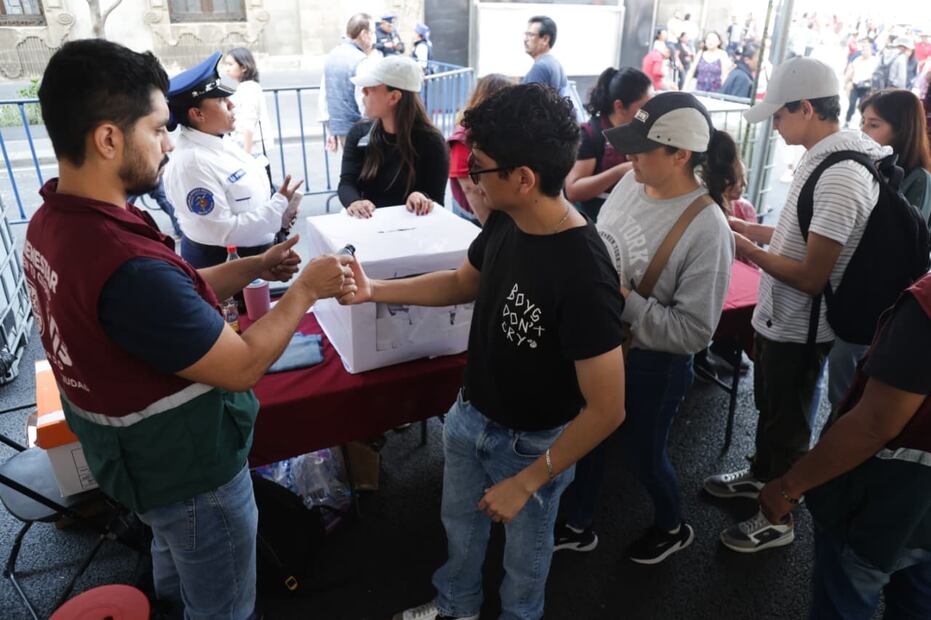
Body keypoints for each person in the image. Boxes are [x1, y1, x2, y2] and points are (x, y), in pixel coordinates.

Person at [25, 38, 356, 619]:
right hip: (189, 469)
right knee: (223, 604)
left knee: (175, 569)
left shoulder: (52, 222)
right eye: (157, 129)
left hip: (136, 467)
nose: (168, 141)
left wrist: (254, 265)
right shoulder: (123, 262)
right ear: (108, 139)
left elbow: (179, 289)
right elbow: (242, 364)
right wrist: (305, 290)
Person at [378, 83, 626, 620]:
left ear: (523, 178)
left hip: (534, 444)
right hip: (472, 414)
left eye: (480, 167)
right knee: (459, 531)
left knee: (525, 564)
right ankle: (455, 608)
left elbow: (609, 408)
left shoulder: (585, 272)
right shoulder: (506, 223)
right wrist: (373, 291)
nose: (470, 177)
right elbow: (459, 283)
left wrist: (529, 480)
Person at [704, 57, 890, 553]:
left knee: (788, 423)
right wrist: (749, 230)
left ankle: (777, 516)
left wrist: (745, 249)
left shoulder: (840, 176)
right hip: (780, 318)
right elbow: (798, 238)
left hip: (802, 326)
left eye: (779, 116)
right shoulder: (822, 157)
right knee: (771, 407)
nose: (775, 125)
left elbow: (812, 276)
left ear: (806, 108)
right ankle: (762, 475)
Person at [556, 92, 736, 564]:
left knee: (642, 454)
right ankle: (577, 523)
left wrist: (624, 301)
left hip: (654, 365)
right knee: (587, 433)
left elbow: (696, 333)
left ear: (681, 154)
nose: (629, 155)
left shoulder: (707, 227)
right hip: (602, 347)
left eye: (642, 148)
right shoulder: (631, 184)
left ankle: (673, 525)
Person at [758, 271, 931, 620]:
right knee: (917, 602)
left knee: (845, 601)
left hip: (886, 502)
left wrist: (790, 488)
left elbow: (875, 424)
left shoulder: (927, 304)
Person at [162, 52, 302, 268]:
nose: (231, 105)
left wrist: (280, 217)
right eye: (221, 100)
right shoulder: (192, 163)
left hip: (249, 257)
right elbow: (224, 231)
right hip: (222, 265)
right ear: (198, 114)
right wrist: (277, 206)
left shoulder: (219, 139)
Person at [339, 55, 448, 218]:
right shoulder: (359, 133)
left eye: (371, 87)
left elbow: (436, 199)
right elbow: (346, 182)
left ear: (394, 97)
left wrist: (421, 197)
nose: (363, 91)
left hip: (414, 233)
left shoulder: (432, 141)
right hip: (368, 228)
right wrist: (354, 202)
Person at [564, 66, 652, 221]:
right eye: (644, 107)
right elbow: (573, 190)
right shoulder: (591, 135)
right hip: (594, 220)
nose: (649, 113)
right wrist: (620, 172)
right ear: (619, 106)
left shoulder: (642, 132)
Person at [447, 74, 513, 225]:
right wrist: (492, 234)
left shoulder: (503, 132)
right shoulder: (462, 139)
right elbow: (471, 191)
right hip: (475, 217)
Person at [859, 89, 931, 225]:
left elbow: (910, 239)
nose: (862, 131)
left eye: (873, 125)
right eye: (863, 122)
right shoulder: (868, 163)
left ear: (901, 131)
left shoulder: (919, 179)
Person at [321, 13, 374, 151]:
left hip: (341, 130)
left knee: (352, 170)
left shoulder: (332, 55)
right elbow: (365, 101)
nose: (374, 39)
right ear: (364, 34)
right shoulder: (360, 60)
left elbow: (325, 96)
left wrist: (330, 130)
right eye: (372, 33)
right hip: (361, 131)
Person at [223, 47, 272, 158]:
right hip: (248, 147)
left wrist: (246, 155)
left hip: (251, 149)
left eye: (230, 65)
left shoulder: (249, 88)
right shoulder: (246, 87)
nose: (227, 69)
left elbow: (249, 122)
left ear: (244, 67)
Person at [522, 15, 568, 96]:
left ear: (545, 39)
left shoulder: (540, 67)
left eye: (531, 35)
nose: (525, 39)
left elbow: (530, 104)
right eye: (526, 34)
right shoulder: (554, 63)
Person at [844, 38, 878, 127]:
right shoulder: (858, 59)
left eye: (866, 50)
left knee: (863, 107)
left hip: (866, 87)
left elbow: (874, 75)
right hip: (855, 86)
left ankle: (862, 124)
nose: (864, 51)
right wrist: (847, 82)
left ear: (871, 51)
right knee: (851, 104)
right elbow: (851, 71)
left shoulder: (874, 61)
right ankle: (847, 121)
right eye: (863, 49)